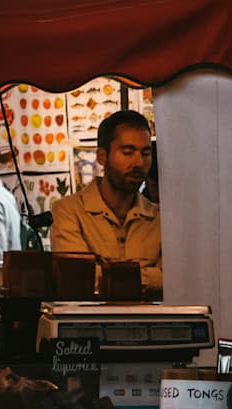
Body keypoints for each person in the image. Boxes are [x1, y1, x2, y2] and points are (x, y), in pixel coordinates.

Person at [50, 109, 162, 292]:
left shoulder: (159, 219)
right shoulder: (69, 211)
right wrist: (149, 277)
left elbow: (173, 279)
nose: (139, 162)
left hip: (148, 320)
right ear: (102, 156)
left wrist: (107, 274)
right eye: (128, 152)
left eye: (145, 153)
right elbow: (78, 279)